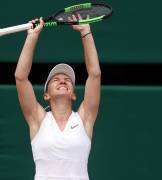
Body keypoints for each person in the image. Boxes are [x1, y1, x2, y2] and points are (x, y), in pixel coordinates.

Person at [15, 15, 101, 180]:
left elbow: (95, 75)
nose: (62, 80)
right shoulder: (37, 119)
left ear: (74, 94)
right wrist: (32, 37)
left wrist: (85, 32)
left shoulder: (85, 118)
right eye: (56, 79)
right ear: (46, 95)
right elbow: (20, 78)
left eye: (67, 80)